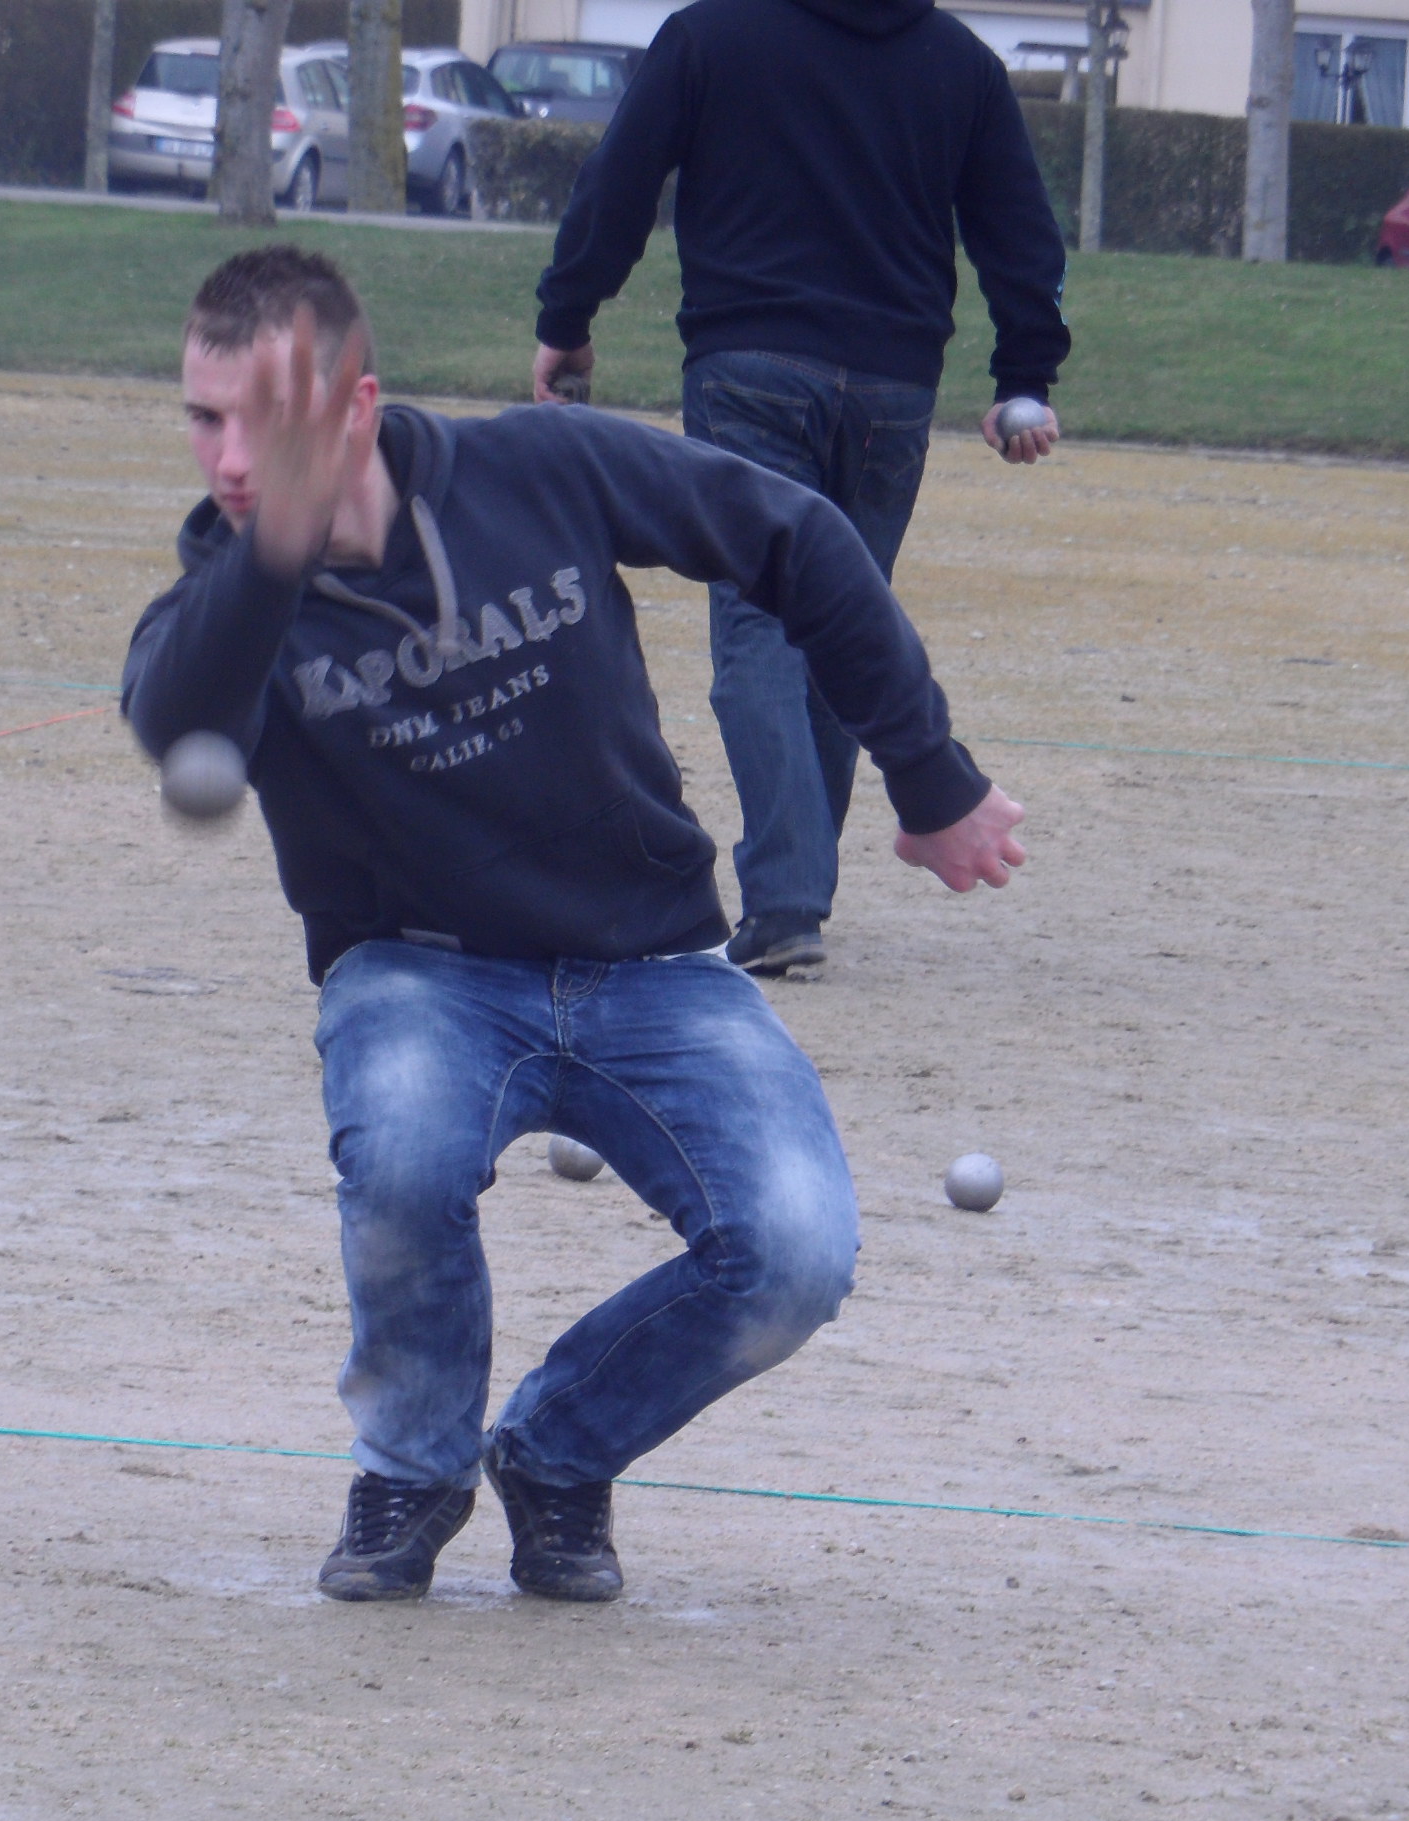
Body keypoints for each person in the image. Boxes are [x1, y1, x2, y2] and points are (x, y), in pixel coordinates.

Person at [123, 246, 1025, 1605]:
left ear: (359, 406)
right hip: (417, 975)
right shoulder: (229, 594)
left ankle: (556, 1453)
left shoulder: (535, 469)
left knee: (794, 1255)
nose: (235, 458)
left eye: (273, 420)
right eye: (207, 420)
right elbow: (174, 717)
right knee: (406, 1160)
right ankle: (413, 1472)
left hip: (653, 963)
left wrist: (931, 774)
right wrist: (277, 552)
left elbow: (795, 537)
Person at [529, 0, 1070, 978]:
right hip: (894, 385)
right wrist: (1024, 374)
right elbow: (1019, 230)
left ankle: (785, 900)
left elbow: (618, 182)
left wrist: (568, 317)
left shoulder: (710, 35)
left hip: (749, 366)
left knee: (757, 622)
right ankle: (797, 891)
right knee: (842, 617)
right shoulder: (960, 63)